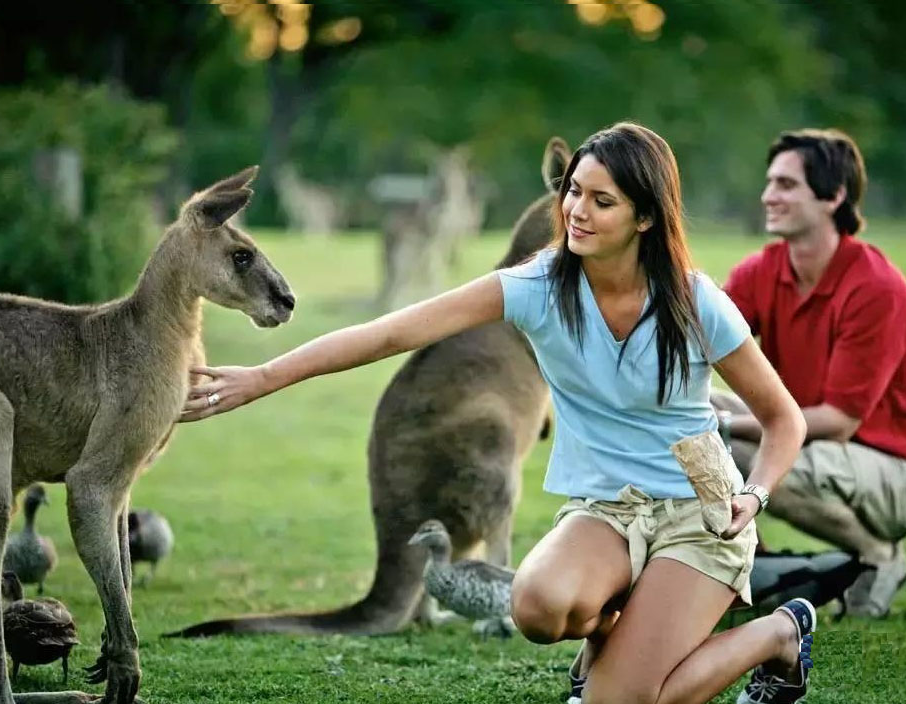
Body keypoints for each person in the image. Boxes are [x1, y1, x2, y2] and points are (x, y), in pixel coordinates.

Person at [181, 123, 812, 704]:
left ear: (646, 217)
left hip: (697, 511)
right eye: (573, 193)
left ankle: (781, 635)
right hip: (609, 510)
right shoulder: (540, 285)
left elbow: (784, 420)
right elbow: (389, 334)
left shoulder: (696, 301)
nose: (575, 211)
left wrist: (754, 494)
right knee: (535, 607)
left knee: (619, 703)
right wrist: (263, 376)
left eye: (601, 200)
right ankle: (624, 636)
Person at [716, 128, 906, 620]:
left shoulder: (876, 288)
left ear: (834, 196)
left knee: (736, 447)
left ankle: (877, 554)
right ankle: (745, 569)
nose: (768, 196)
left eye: (785, 184)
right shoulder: (761, 272)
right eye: (769, 182)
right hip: (814, 441)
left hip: (894, 472)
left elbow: (838, 421)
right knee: (696, 414)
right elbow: (699, 345)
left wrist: (723, 425)